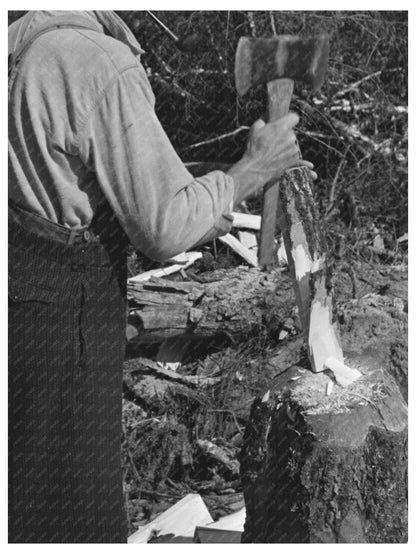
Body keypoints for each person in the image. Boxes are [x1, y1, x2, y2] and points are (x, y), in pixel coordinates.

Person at [8, 10, 316, 543]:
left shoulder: (20, 43)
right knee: (75, 502)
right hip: (67, 305)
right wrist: (254, 169)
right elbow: (164, 227)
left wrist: (210, 194)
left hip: (23, 275)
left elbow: (87, 175)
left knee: (28, 477)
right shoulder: (99, 64)